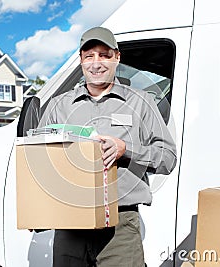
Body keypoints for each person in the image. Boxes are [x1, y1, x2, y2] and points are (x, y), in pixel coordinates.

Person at [38, 26, 177, 267]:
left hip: (120, 226)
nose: (96, 63)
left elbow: (168, 158)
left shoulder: (141, 102)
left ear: (117, 58)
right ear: (81, 61)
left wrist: (127, 149)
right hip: (70, 223)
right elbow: (39, 160)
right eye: (89, 56)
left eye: (104, 55)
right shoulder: (58, 106)